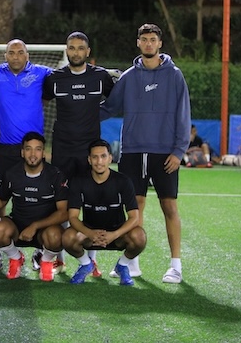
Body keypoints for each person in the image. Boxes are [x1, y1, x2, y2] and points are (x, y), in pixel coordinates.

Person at [101, 23, 191, 284]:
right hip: (132, 152)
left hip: (165, 153)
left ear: (160, 43)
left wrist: (179, 151)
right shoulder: (129, 77)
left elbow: (184, 114)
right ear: (138, 43)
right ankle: (131, 263)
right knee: (134, 207)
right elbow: (109, 108)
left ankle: (175, 266)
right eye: (144, 39)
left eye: (153, 39)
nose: (149, 43)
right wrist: (80, 111)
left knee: (169, 206)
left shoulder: (174, 75)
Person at [42, 31, 116, 277]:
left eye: (80, 48)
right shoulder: (54, 79)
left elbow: (115, 101)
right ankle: (58, 259)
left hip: (89, 152)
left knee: (91, 203)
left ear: (88, 51)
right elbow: (41, 103)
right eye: (72, 48)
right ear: (67, 51)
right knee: (61, 203)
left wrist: (95, 115)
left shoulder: (101, 77)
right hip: (62, 150)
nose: (76, 52)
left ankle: (92, 260)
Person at [0, 39, 53, 270]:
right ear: (5, 55)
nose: (16, 56)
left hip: (33, 149)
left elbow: (69, 74)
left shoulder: (41, 73)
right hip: (5, 149)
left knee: (43, 199)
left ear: (27, 55)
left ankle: (41, 250)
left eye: (20, 52)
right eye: (12, 52)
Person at [0, 132, 69, 281]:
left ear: (43, 153)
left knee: (57, 236)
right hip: (18, 227)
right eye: (28, 149)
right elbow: (0, 202)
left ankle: (45, 261)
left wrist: (35, 226)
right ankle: (16, 257)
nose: (33, 154)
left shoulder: (55, 175)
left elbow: (63, 213)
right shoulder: (11, 173)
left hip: (44, 230)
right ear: (22, 152)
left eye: (38, 149)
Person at [63, 139, 146, 285]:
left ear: (110, 158)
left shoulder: (123, 181)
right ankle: (86, 264)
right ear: (89, 160)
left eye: (103, 156)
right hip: (89, 234)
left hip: (117, 235)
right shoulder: (78, 181)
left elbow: (134, 217)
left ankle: (122, 265)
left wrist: (114, 234)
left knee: (139, 237)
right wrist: (90, 233)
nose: (99, 161)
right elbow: (73, 217)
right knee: (67, 238)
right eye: (95, 157)